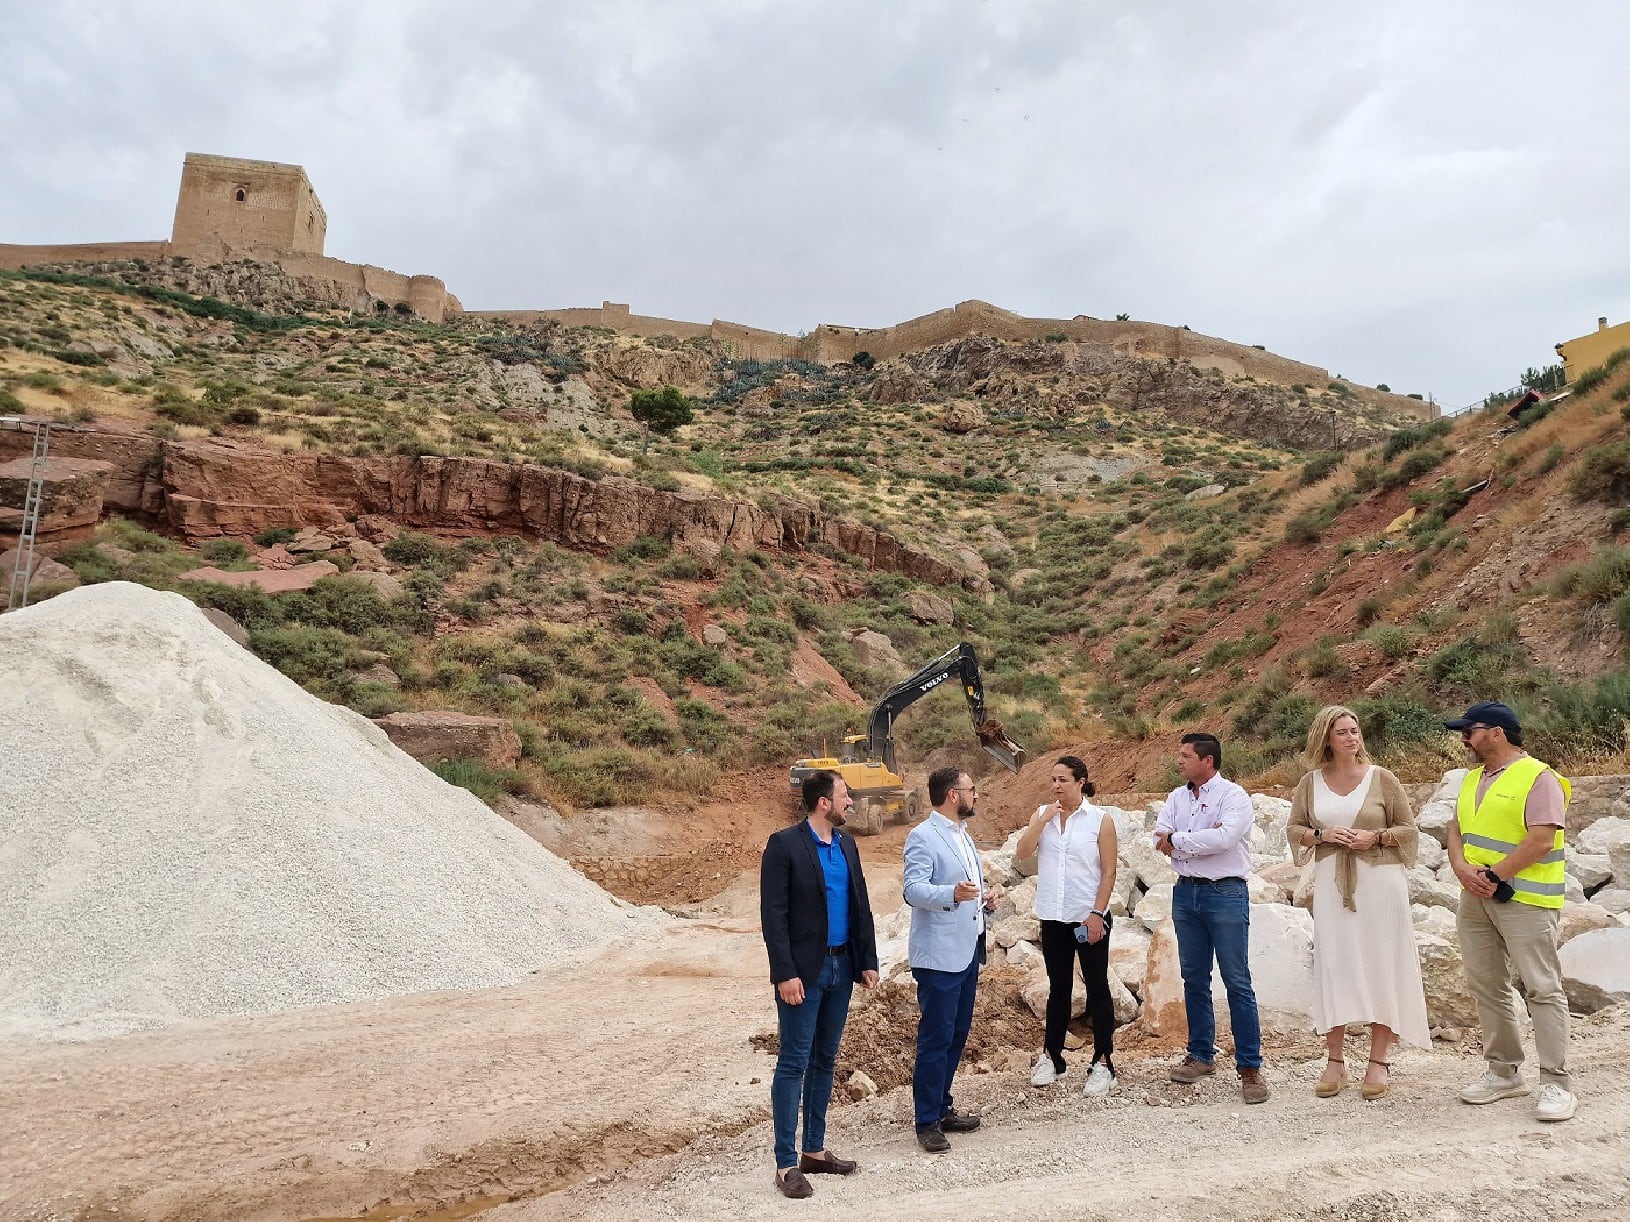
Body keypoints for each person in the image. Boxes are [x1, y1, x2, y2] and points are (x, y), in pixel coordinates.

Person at [1442, 701, 1576, 1122]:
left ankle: (1556, 1083)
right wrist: (1462, 869)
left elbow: (1541, 840)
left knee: (1542, 987)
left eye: (1471, 729)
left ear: (1497, 732)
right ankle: (1503, 1072)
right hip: (1477, 897)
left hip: (1526, 900)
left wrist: (1495, 876)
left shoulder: (1539, 777)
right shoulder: (1472, 778)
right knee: (1487, 984)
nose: (1464, 736)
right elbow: (1456, 829)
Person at [1288, 706, 1430, 1101]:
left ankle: (1378, 1060)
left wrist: (1376, 838)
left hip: (1381, 881)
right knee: (1336, 963)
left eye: (1355, 730)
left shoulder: (1382, 779)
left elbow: (1409, 830)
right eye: (1342, 732)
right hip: (1334, 885)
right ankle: (1335, 1061)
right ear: (1326, 739)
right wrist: (1322, 833)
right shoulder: (1310, 783)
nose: (1352, 737)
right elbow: (1295, 829)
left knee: (1382, 961)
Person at [760, 770, 881, 1199]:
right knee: (794, 1062)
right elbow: (773, 916)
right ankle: (786, 1163)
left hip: (841, 968)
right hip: (804, 975)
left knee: (825, 1059)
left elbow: (860, 905)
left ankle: (814, 1149)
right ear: (824, 803)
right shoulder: (784, 845)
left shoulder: (848, 845)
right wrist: (784, 973)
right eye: (845, 795)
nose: (851, 802)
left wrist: (867, 960)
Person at [1153, 732, 1269, 1103]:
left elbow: (1226, 839)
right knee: (1193, 979)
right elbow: (1159, 839)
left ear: (1208, 761)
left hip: (1226, 893)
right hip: (1186, 893)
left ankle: (1250, 1068)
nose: (1179, 761)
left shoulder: (1234, 796)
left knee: (1237, 980)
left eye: (1186, 755)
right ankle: (1201, 1055)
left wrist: (1181, 841)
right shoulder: (1175, 796)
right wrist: (1195, 839)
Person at [903, 765, 999, 1152]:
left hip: (967, 948)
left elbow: (967, 888)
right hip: (939, 955)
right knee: (936, 1037)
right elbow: (912, 890)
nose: (976, 795)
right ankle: (926, 1120)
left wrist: (984, 899)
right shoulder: (922, 836)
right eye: (972, 789)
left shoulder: (963, 835)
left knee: (957, 1034)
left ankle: (942, 1107)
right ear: (953, 795)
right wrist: (951, 895)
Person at [1014, 754, 1119, 1096]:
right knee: (1058, 988)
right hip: (1052, 915)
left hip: (1087, 916)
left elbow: (1109, 872)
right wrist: (1042, 821)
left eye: (1063, 780)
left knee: (1097, 987)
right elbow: (1023, 853)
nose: (1056, 786)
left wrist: (1097, 914)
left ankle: (1103, 1062)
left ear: (1080, 782)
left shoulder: (1100, 821)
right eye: (1053, 780)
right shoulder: (1043, 815)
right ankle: (1052, 1056)